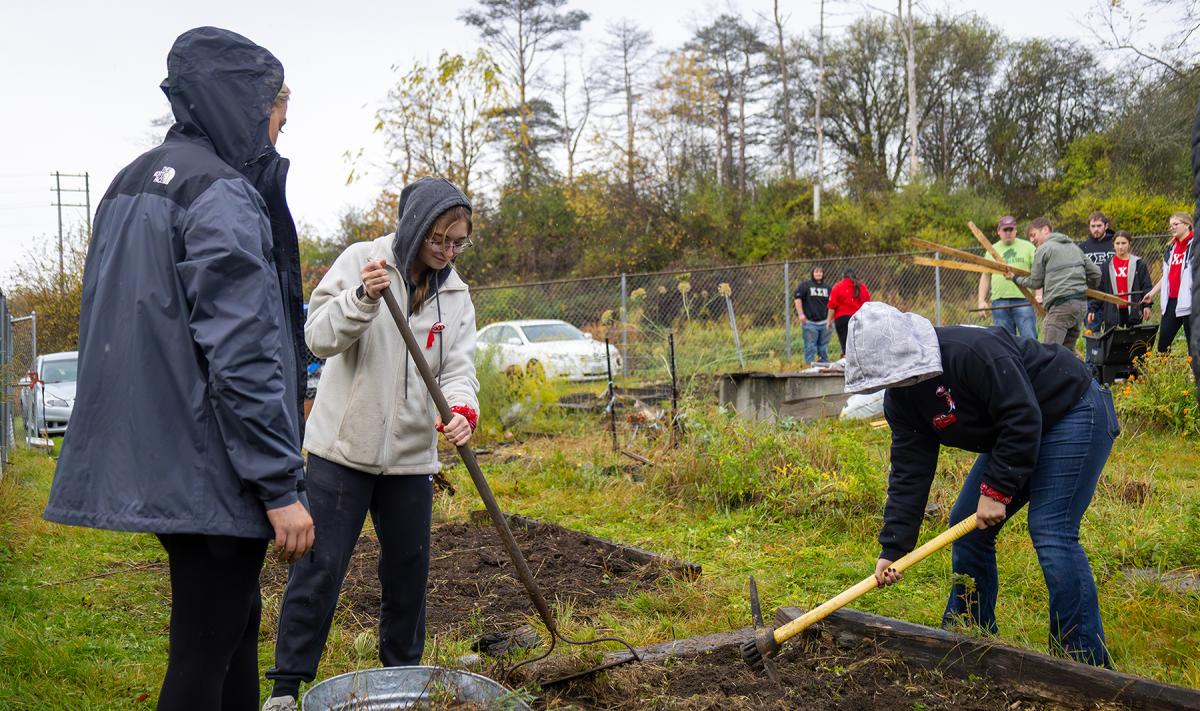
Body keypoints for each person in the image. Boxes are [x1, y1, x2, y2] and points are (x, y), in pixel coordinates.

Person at [42, 27, 314, 710]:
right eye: (276, 116)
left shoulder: (130, 184)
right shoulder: (219, 194)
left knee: (232, 625)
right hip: (212, 464)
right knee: (200, 656)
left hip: (161, 454)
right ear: (246, 106)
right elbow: (243, 351)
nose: (278, 134)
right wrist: (280, 484)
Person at [263, 177, 480, 710]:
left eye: (458, 243)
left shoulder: (455, 294)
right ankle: (287, 687)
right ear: (415, 226)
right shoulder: (364, 261)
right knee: (321, 567)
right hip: (343, 451)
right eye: (440, 239)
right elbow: (316, 338)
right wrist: (362, 299)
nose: (447, 253)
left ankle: (401, 680)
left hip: (410, 458)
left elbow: (458, 369)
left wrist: (462, 412)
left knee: (408, 570)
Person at [845, 302, 1116, 668]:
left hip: (1071, 410)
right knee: (966, 527)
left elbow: (1021, 415)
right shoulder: (903, 400)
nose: (892, 385)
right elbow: (909, 472)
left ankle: (1083, 659)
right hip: (1016, 433)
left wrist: (996, 490)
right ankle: (968, 637)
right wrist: (893, 547)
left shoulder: (969, 352)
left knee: (1051, 529)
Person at [1008, 218, 1100, 349]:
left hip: (1060, 307)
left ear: (1045, 230)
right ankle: (1079, 370)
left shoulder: (1044, 248)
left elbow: (1035, 282)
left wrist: (1015, 278)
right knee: (1067, 354)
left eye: (1033, 235)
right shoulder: (1074, 248)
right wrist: (1085, 291)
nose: (1032, 240)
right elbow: (1096, 273)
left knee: (1049, 353)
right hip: (1080, 306)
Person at [976, 215, 1038, 339]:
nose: (1008, 233)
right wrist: (981, 301)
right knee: (1005, 342)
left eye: (1011, 229)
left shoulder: (1028, 247)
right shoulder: (991, 250)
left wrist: (1039, 295)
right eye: (1005, 230)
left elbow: (1037, 272)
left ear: (1016, 230)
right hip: (999, 302)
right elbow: (985, 276)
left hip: (1024, 299)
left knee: (1030, 339)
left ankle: (1032, 359)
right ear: (999, 231)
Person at [1142, 212, 1195, 353]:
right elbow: (1167, 275)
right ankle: (1165, 373)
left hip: (1191, 302)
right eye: (1170, 226)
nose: (1172, 228)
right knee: (1163, 345)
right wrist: (1152, 293)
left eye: (1175, 225)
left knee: (1193, 345)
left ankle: (1193, 374)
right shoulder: (1172, 248)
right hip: (1173, 300)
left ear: (1187, 225)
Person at [1087, 231, 1153, 332]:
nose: (1120, 247)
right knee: (1113, 344)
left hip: (1132, 309)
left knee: (1133, 344)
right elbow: (1100, 289)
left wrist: (1147, 306)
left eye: (1123, 243)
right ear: (1113, 244)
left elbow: (1146, 286)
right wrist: (1092, 309)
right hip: (1113, 311)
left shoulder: (1138, 264)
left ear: (1129, 244)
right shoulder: (1106, 266)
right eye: (1117, 243)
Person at [826, 268, 870, 355]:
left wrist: (829, 321)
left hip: (842, 319)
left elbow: (832, 306)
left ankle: (847, 359)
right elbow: (868, 304)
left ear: (843, 276)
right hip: (859, 318)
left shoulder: (838, 286)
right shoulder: (862, 287)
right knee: (858, 344)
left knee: (845, 343)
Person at [793, 266, 831, 363]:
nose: (818, 274)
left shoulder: (828, 288)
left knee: (823, 347)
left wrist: (830, 319)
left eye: (820, 272)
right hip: (810, 323)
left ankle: (824, 366)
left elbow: (833, 304)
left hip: (824, 323)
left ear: (823, 274)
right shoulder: (805, 285)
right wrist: (801, 314)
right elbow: (797, 298)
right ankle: (809, 368)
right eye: (816, 272)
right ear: (812, 273)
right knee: (810, 347)